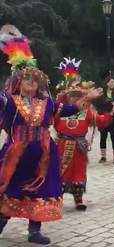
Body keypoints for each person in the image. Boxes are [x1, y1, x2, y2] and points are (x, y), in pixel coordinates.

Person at [0, 25, 102, 244]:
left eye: (34, 80)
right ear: (19, 82)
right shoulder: (10, 102)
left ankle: (34, 231)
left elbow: (69, 110)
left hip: (43, 155)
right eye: (26, 79)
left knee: (40, 190)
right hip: (16, 155)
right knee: (10, 187)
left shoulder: (46, 103)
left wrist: (88, 98)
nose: (31, 82)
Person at [54, 58, 114, 211]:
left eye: (77, 95)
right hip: (62, 145)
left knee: (78, 173)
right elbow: (49, 120)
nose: (74, 97)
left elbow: (100, 121)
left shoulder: (87, 110)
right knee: (59, 172)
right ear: (66, 96)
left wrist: (111, 113)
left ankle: (78, 199)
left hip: (79, 147)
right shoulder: (59, 109)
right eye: (72, 95)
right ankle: (56, 199)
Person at [97, 76, 114, 163]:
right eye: (111, 82)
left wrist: (112, 102)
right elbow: (98, 104)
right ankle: (103, 157)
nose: (113, 84)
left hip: (113, 118)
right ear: (107, 83)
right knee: (103, 137)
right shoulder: (102, 92)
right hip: (103, 117)